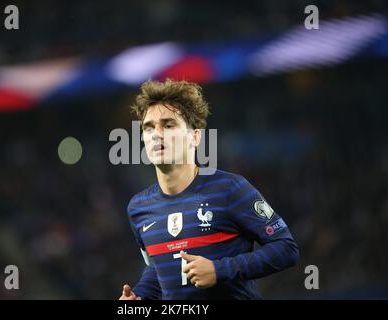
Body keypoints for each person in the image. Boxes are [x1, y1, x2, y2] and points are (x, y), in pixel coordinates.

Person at [119, 79, 299, 300]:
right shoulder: (139, 208)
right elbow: (159, 269)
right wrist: (140, 296)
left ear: (195, 137)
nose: (156, 134)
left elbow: (286, 248)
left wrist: (219, 270)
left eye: (168, 125)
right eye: (148, 127)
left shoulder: (229, 190)